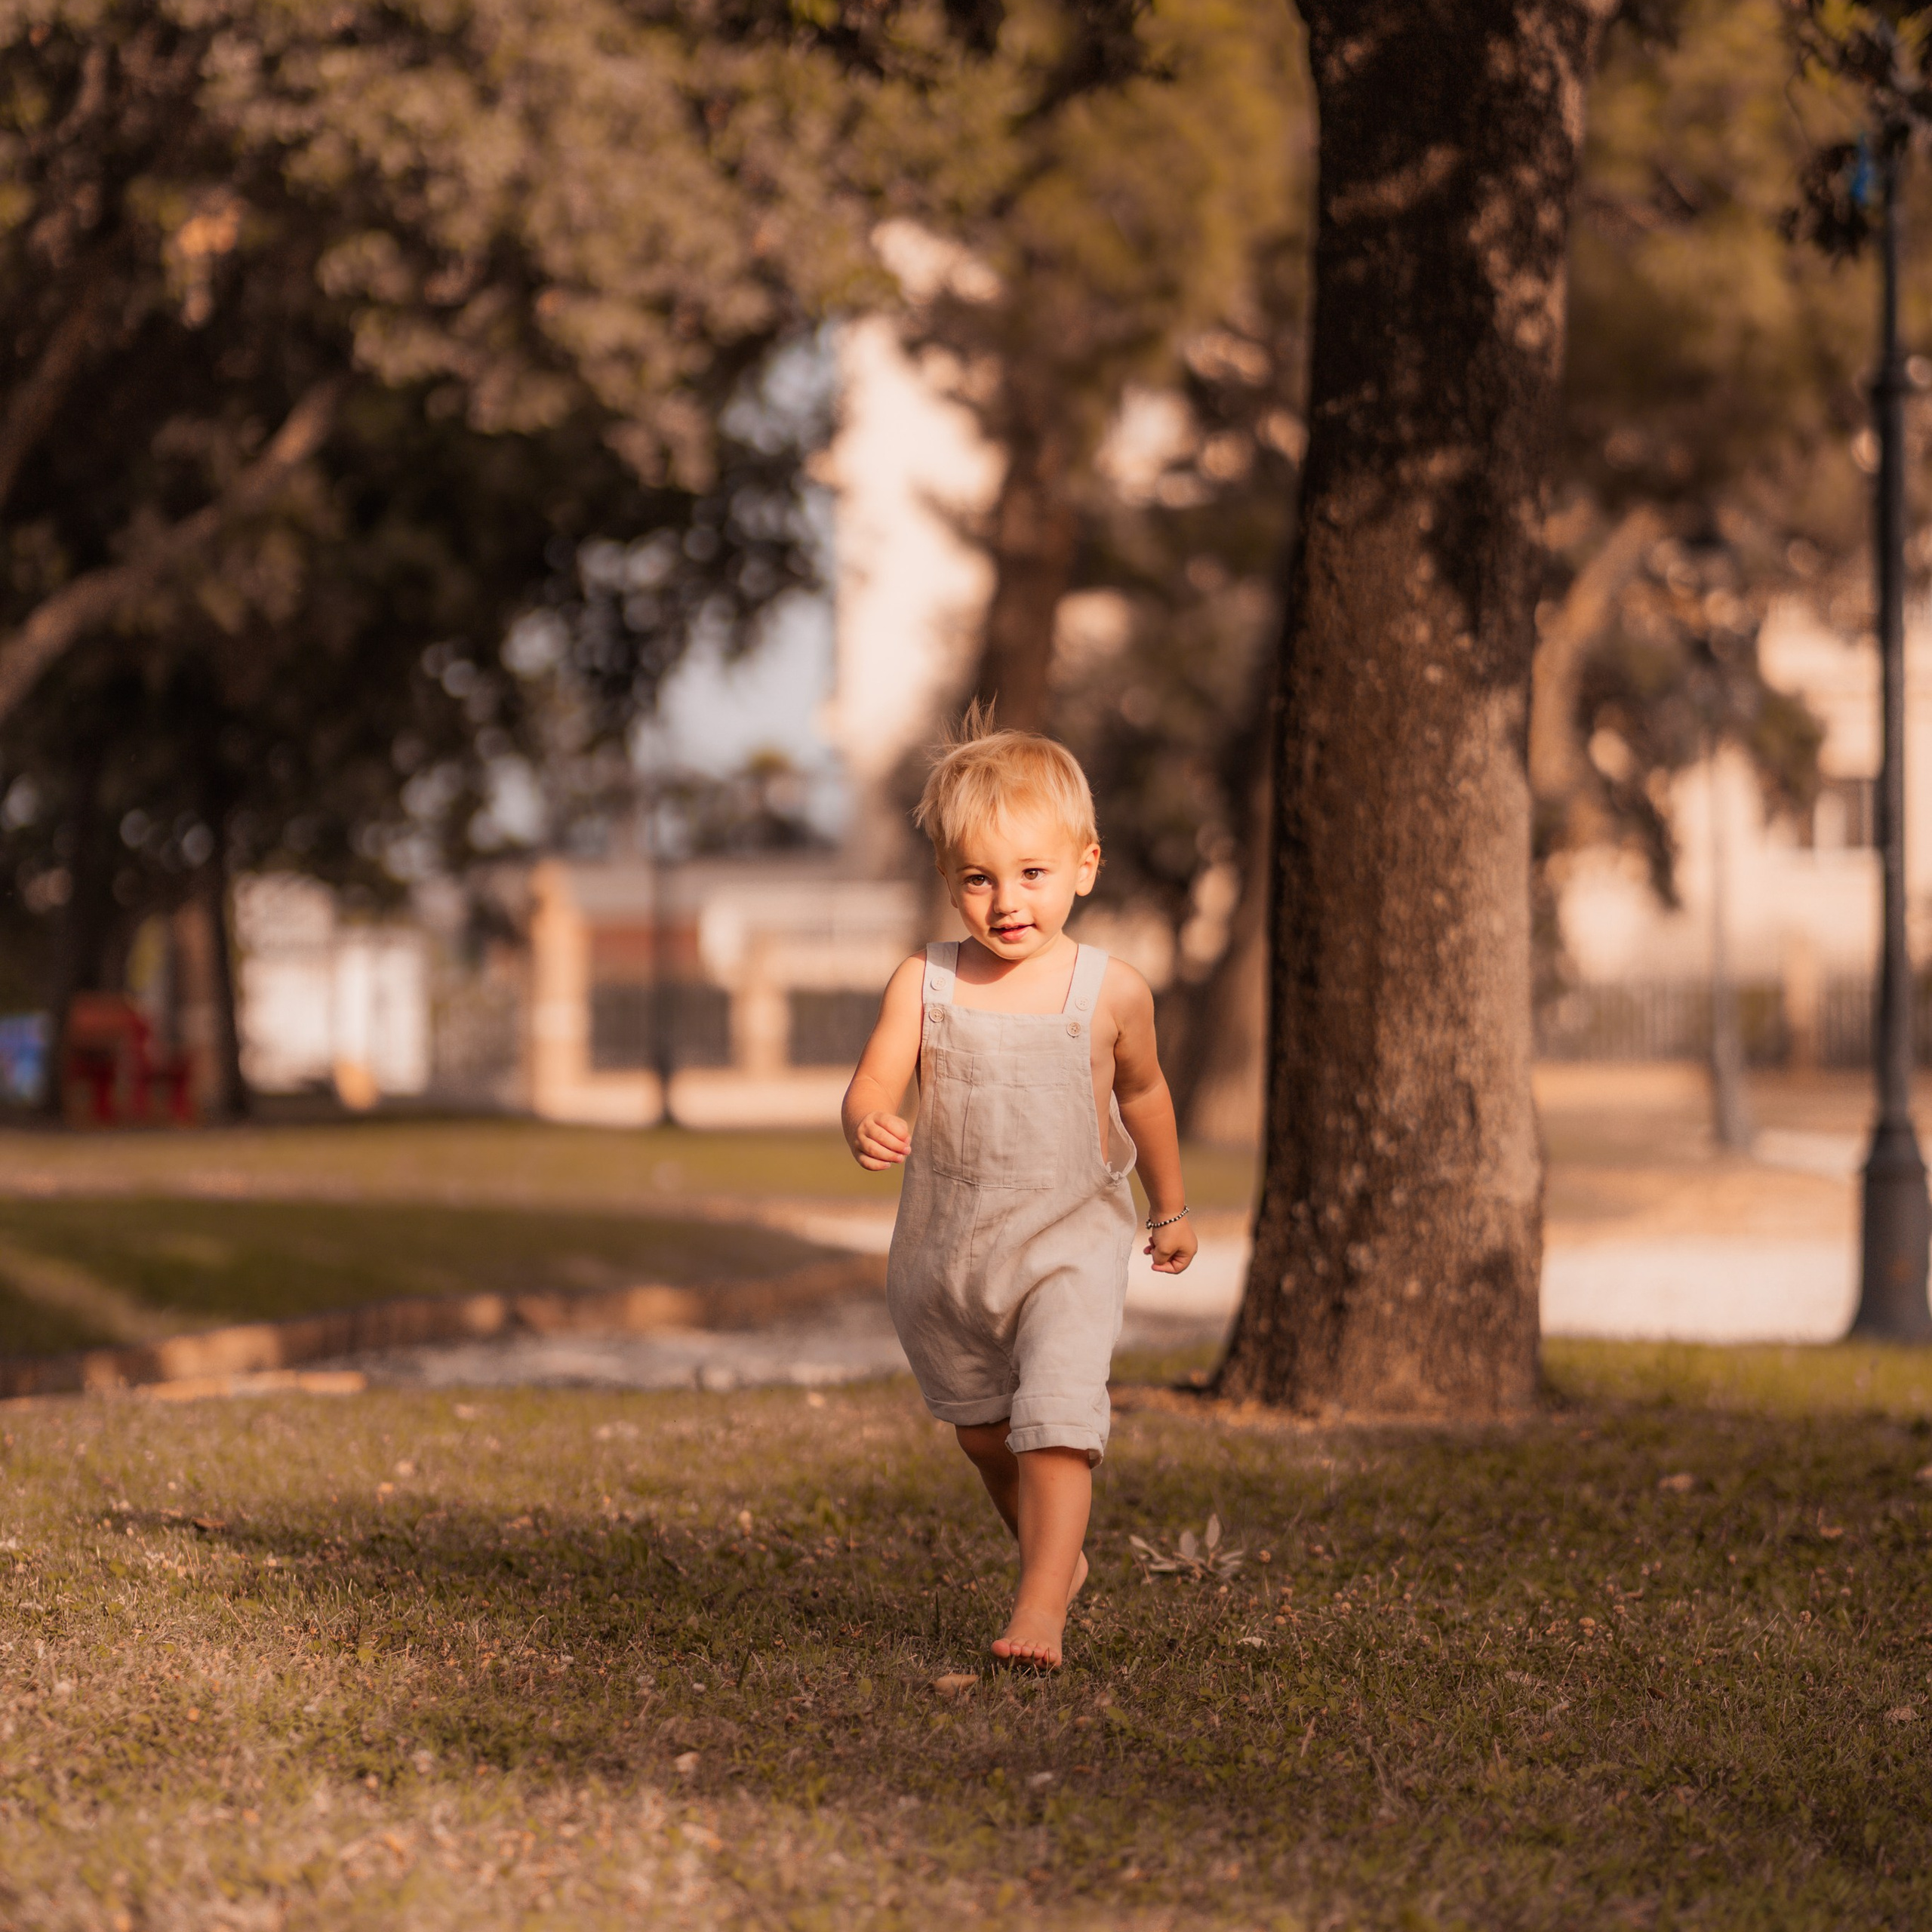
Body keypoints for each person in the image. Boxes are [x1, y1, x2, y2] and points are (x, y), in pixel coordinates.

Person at [842, 709, 1198, 1669]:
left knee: (1055, 1424)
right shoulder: (924, 981)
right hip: (948, 1252)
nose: (1008, 901)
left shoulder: (1111, 989)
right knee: (986, 1437)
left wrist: (1169, 1207)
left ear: (1085, 864)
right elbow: (874, 1078)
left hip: (1069, 1246)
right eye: (979, 878)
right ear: (951, 881)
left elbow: (1147, 1096)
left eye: (1032, 874)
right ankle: (1057, 1557)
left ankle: (1041, 1603)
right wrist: (864, 1115)